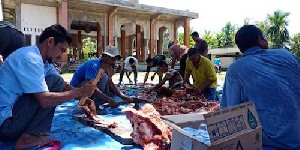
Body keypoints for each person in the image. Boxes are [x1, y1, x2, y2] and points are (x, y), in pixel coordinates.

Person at [0, 24, 97, 149]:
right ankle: (29, 137)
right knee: (52, 84)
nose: (61, 56)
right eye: (62, 50)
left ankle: (31, 134)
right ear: (50, 41)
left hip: (12, 121)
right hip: (5, 125)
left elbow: (63, 84)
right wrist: (80, 91)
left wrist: (83, 98)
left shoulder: (44, 61)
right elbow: (45, 100)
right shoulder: (31, 58)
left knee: (56, 81)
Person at [221, 25, 300, 149]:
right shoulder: (286, 54)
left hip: (273, 144)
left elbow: (230, 112)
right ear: (260, 40)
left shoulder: (236, 68)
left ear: (241, 49)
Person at [70, 46, 132, 110]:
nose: (114, 62)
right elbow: (91, 86)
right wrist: (109, 100)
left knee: (109, 86)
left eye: (115, 59)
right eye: (113, 59)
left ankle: (99, 101)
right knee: (103, 77)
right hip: (76, 89)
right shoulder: (93, 64)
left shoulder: (105, 66)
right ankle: (91, 104)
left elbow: (110, 84)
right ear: (104, 56)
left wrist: (123, 97)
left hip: (88, 87)